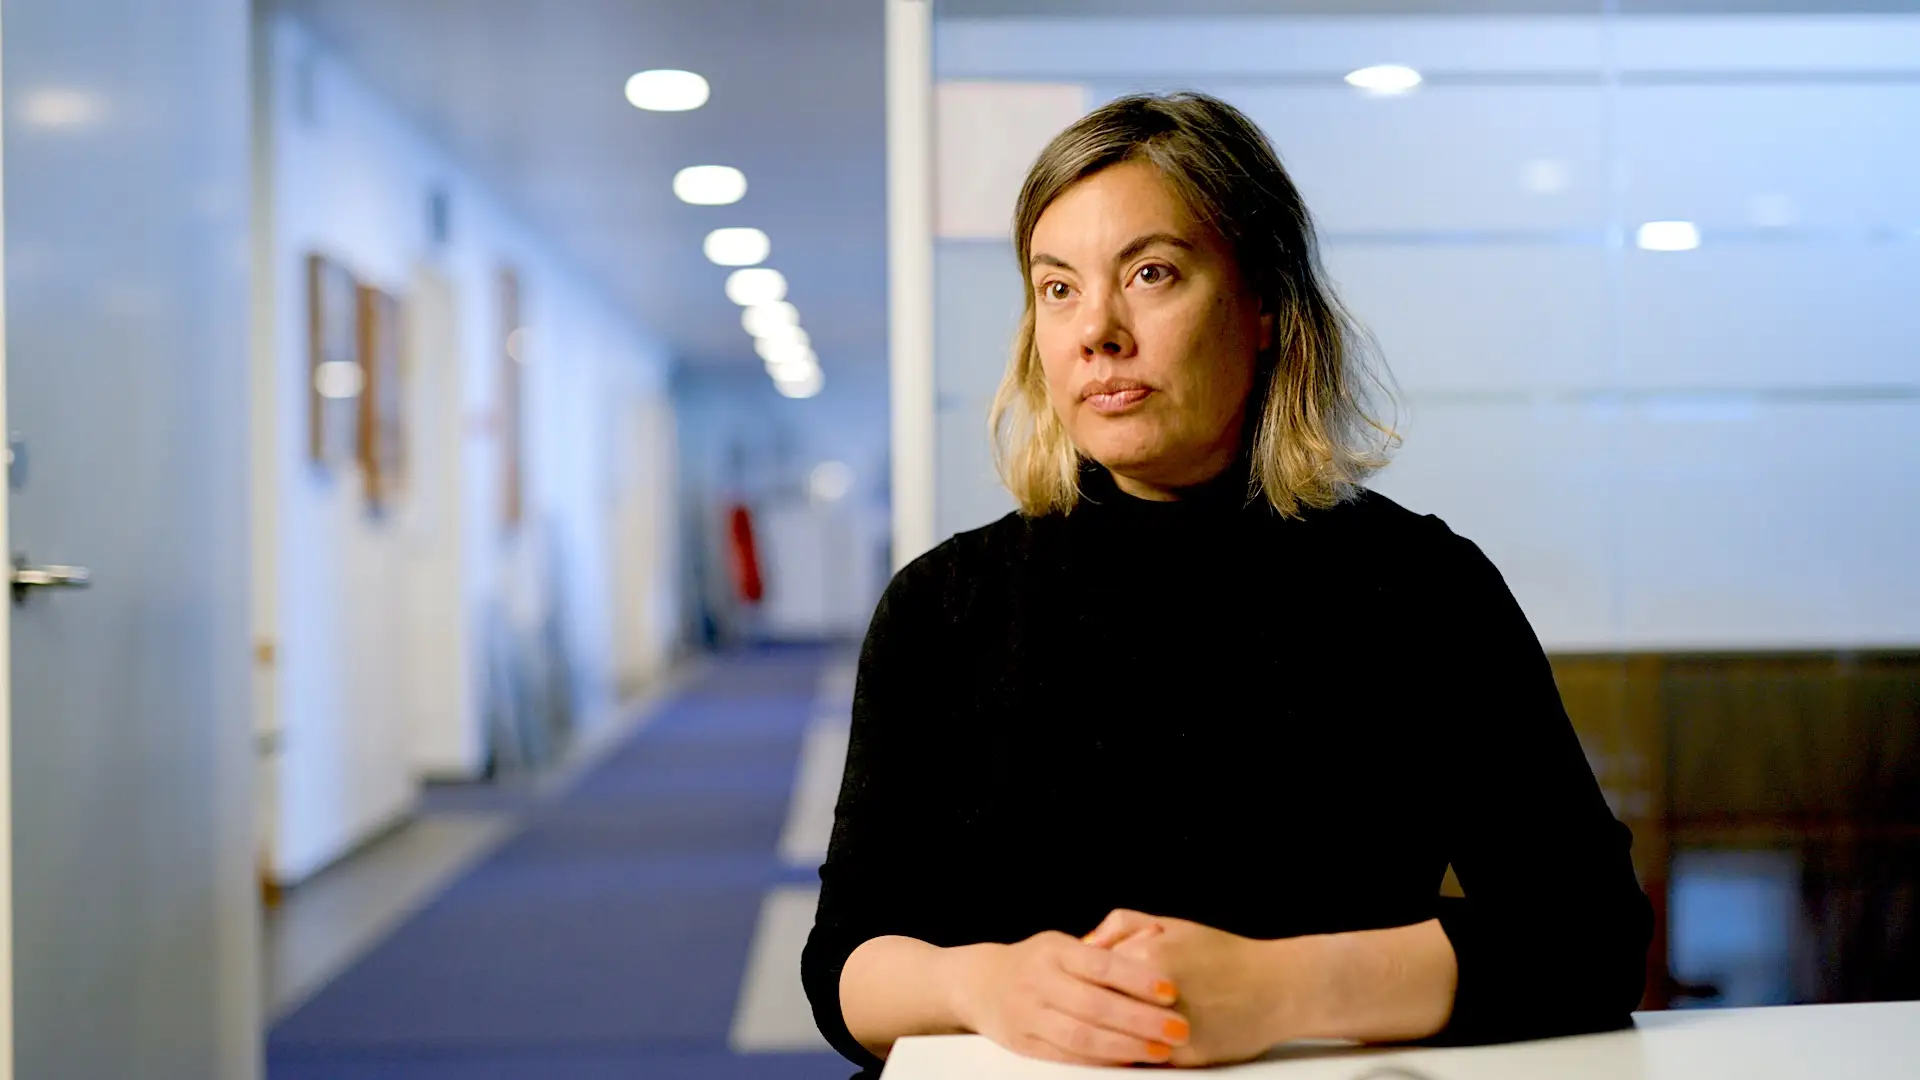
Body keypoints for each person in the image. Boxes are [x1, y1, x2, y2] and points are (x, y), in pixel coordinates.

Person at [802, 91, 1653, 1076]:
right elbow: (844, 967)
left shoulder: (1419, 587)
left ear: (1264, 304)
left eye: (1151, 273)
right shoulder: (940, 609)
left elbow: (1590, 938)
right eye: (1058, 288)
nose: (1098, 332)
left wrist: (1279, 989)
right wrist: (981, 984)